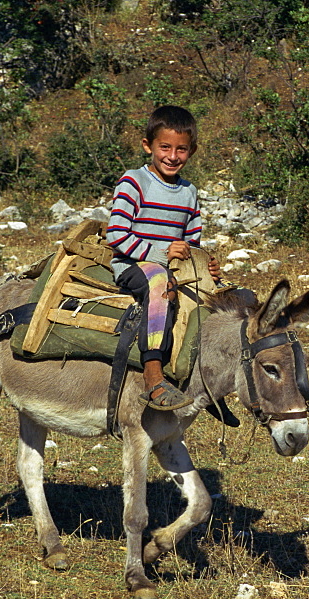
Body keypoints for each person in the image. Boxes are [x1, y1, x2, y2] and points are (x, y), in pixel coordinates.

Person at [106, 105, 221, 411]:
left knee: (224, 298)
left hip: (174, 270)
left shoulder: (189, 193)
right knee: (160, 283)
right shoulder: (133, 182)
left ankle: (209, 382)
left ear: (192, 151)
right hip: (132, 266)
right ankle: (154, 376)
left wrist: (204, 264)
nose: (172, 156)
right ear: (148, 146)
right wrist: (160, 253)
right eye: (165, 147)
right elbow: (116, 235)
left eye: (181, 149)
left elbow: (191, 242)